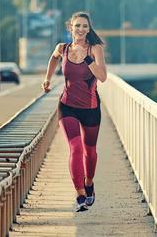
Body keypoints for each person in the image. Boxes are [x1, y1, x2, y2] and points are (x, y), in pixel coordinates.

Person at [42, 11, 107, 212]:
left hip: (90, 108)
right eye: (77, 25)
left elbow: (103, 77)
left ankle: (89, 183)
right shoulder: (63, 48)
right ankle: (80, 195)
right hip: (67, 105)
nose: (80, 29)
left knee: (90, 153)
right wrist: (47, 78)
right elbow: (54, 58)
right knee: (76, 148)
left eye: (85, 26)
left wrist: (85, 58)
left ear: (89, 29)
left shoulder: (95, 49)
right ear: (70, 27)